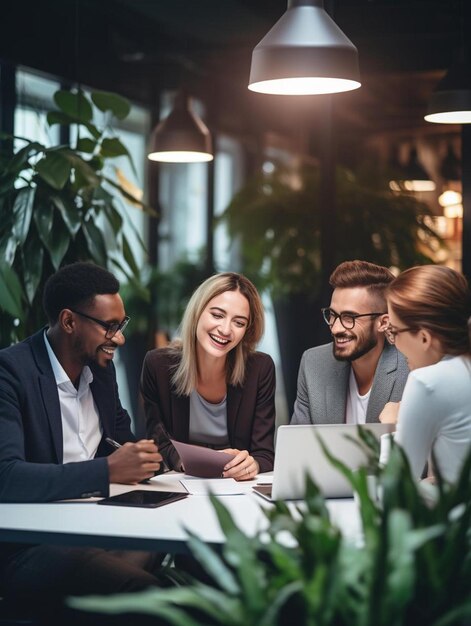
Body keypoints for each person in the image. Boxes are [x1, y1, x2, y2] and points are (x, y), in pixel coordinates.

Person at [0, 262, 164, 612]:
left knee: (163, 543)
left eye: (121, 325)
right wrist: (106, 472)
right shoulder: (11, 373)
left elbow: (124, 442)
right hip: (31, 545)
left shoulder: (100, 370)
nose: (118, 338)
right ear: (69, 321)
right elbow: (6, 476)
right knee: (148, 595)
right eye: (109, 326)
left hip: (96, 527)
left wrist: (152, 458)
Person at [141, 272, 275, 480]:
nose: (225, 329)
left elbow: (265, 454)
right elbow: (157, 444)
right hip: (182, 484)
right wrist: (190, 463)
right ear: (197, 313)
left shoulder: (260, 369)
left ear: (247, 331)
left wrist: (253, 464)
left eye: (239, 323)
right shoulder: (158, 365)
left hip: (239, 488)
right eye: (217, 315)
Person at [291, 260, 409, 425]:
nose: (335, 328)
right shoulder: (313, 363)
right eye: (332, 315)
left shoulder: (411, 369)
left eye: (350, 318)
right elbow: (297, 445)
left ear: (383, 323)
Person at [382, 264, 471, 483]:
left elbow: (394, 495)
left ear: (424, 338)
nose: (393, 343)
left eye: (393, 331)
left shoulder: (427, 382)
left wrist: (394, 427)